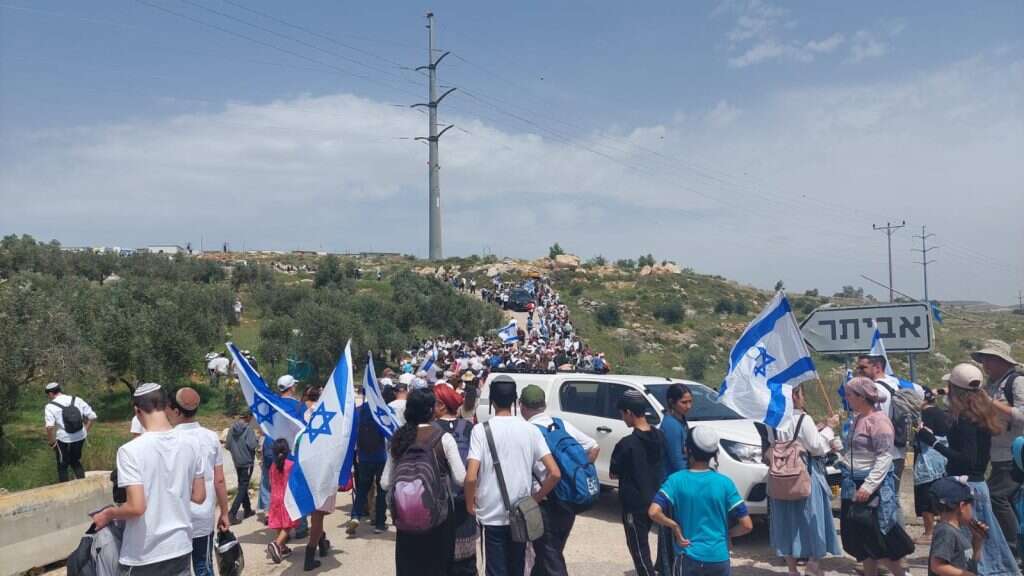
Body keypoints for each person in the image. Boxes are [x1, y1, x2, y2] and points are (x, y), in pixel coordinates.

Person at [90, 383, 206, 576]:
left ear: (137, 411)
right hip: (181, 546)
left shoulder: (130, 451)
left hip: (145, 553)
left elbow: (137, 507)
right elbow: (199, 496)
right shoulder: (193, 444)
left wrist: (109, 514)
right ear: (166, 405)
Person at [917, 363, 1019, 575]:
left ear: (954, 389)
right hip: (977, 484)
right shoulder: (981, 413)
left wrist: (932, 441)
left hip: (966, 488)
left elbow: (966, 459)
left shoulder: (965, 419)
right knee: (987, 547)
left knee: (967, 551)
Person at [465, 376, 561, 576]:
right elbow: (554, 473)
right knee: (517, 567)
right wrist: (535, 499)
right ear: (515, 401)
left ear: (492, 401)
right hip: (521, 513)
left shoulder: (480, 431)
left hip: (491, 515)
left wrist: (469, 505)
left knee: (495, 570)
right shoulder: (531, 430)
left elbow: (471, 476)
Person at [381, 388, 467, 576]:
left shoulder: (399, 438)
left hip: (405, 517)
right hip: (439, 517)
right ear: (430, 410)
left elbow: (385, 483)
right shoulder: (443, 438)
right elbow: (461, 479)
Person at [649, 426, 753, 576]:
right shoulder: (725, 483)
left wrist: (675, 527)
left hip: (688, 557)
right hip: (719, 558)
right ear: (714, 453)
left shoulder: (675, 480)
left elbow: (653, 512)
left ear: (687, 450)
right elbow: (747, 525)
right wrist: (727, 534)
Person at [519, 384, 599, 576]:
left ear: (522, 406)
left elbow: (552, 474)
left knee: (550, 557)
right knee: (548, 554)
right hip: (568, 500)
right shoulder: (560, 424)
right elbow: (594, 447)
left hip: (546, 502)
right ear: (544, 404)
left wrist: (535, 498)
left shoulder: (528, 431)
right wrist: (575, 472)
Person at [840, 376, 914, 576]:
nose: (846, 398)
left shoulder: (879, 421)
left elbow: (884, 457)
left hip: (870, 486)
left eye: (849, 394)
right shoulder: (857, 419)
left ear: (861, 397)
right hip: (853, 483)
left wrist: (869, 486)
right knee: (862, 542)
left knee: (879, 541)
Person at [767, 386, 841, 576]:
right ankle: (813, 562)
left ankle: (792, 568)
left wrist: (818, 428)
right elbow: (816, 447)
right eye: (802, 394)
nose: (803, 398)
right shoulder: (803, 418)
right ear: (794, 396)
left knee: (786, 521)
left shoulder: (772, 420)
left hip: (780, 476)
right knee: (811, 518)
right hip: (804, 473)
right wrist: (829, 428)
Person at [167, 388, 230, 576]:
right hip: (203, 515)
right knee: (203, 566)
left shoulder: (169, 439)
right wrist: (224, 512)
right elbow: (219, 480)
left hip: (176, 517)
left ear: (176, 411)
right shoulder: (211, 437)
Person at [975, 340, 1024, 563]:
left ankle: (1013, 550)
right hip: (998, 454)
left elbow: (1022, 415)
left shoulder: (1016, 382)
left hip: (1014, 454)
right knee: (1009, 501)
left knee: (996, 496)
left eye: (989, 359)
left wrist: (990, 403)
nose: (984, 364)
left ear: (1001, 361)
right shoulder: (992, 385)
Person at [610, 389, 666, 576]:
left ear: (629, 412)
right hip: (657, 498)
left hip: (634, 503)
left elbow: (613, 473)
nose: (623, 418)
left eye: (622, 414)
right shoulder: (660, 436)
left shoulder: (626, 444)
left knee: (638, 547)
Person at [434, 383, 478, 575]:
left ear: (441, 405)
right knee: (466, 558)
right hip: (466, 498)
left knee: (441, 555)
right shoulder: (470, 428)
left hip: (439, 501)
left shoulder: (431, 430)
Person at [856, 354, 910, 492]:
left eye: (863, 367)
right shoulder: (895, 385)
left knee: (884, 497)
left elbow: (875, 423)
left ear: (877, 367)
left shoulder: (875, 390)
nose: (859, 371)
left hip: (882, 454)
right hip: (898, 450)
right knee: (893, 495)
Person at [657, 383, 692, 575]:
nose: (688, 406)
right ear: (672, 402)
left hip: (679, 480)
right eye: (683, 402)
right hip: (673, 484)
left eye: (690, 402)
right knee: (671, 530)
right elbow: (677, 459)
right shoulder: (671, 425)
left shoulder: (681, 421)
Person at [928, 476, 989, 576]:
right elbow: (937, 566)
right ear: (962, 506)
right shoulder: (946, 532)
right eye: (971, 505)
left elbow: (971, 564)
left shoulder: (957, 531)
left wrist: (977, 542)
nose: (972, 509)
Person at [347, 390, 389, 536]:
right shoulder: (383, 411)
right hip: (381, 456)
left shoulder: (358, 411)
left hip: (364, 457)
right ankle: (379, 523)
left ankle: (355, 516)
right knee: (381, 490)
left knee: (362, 489)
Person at [300, 386, 332, 571]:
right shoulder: (322, 413)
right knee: (318, 513)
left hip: (306, 466)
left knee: (316, 513)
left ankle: (322, 542)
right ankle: (310, 555)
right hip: (320, 467)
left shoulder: (301, 413)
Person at [914, 388, 950, 545]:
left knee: (925, 496)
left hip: (928, 459)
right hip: (942, 458)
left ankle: (929, 532)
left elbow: (925, 435)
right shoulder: (941, 412)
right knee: (941, 496)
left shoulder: (926, 414)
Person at [43, 382, 98, 482]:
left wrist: (52, 442)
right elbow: (92, 416)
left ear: (50, 393)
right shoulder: (77, 399)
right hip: (80, 436)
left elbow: (49, 427)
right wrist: (85, 431)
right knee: (75, 461)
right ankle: (83, 484)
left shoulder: (50, 406)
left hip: (63, 439)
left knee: (62, 465)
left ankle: (64, 488)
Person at [266, 438, 298, 565]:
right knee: (288, 524)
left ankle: (283, 548)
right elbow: (295, 483)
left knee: (279, 523)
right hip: (286, 498)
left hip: (275, 498)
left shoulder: (273, 466)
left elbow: (270, 483)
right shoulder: (290, 465)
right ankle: (277, 543)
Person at [226, 410, 258, 524]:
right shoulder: (248, 429)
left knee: (242, 485)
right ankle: (232, 513)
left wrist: (236, 452)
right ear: (248, 417)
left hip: (237, 462)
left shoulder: (231, 429)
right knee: (243, 487)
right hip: (247, 462)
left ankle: (247, 509)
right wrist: (257, 439)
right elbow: (252, 445)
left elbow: (228, 445)